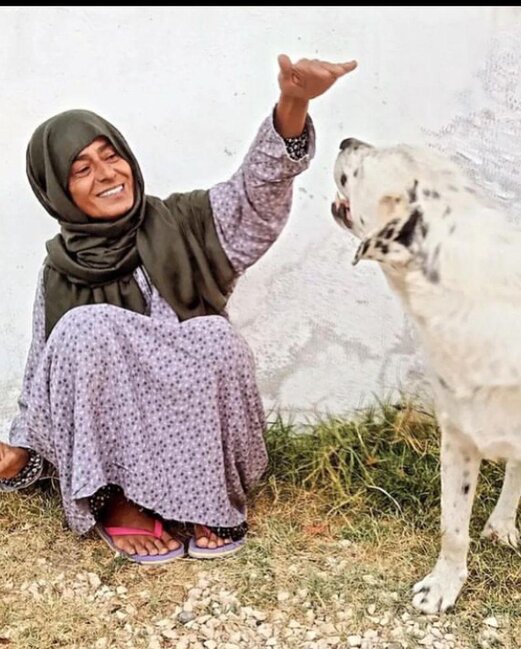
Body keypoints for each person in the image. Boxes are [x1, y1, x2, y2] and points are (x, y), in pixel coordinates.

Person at [0, 53, 357, 564]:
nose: (107, 174)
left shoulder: (184, 221)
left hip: (197, 430)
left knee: (213, 335)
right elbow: (48, 371)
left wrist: (293, 101)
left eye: (111, 155)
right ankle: (123, 498)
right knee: (84, 327)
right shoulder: (60, 270)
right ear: (57, 190)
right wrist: (20, 454)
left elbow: (254, 193)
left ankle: (203, 493)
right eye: (81, 169)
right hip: (123, 444)